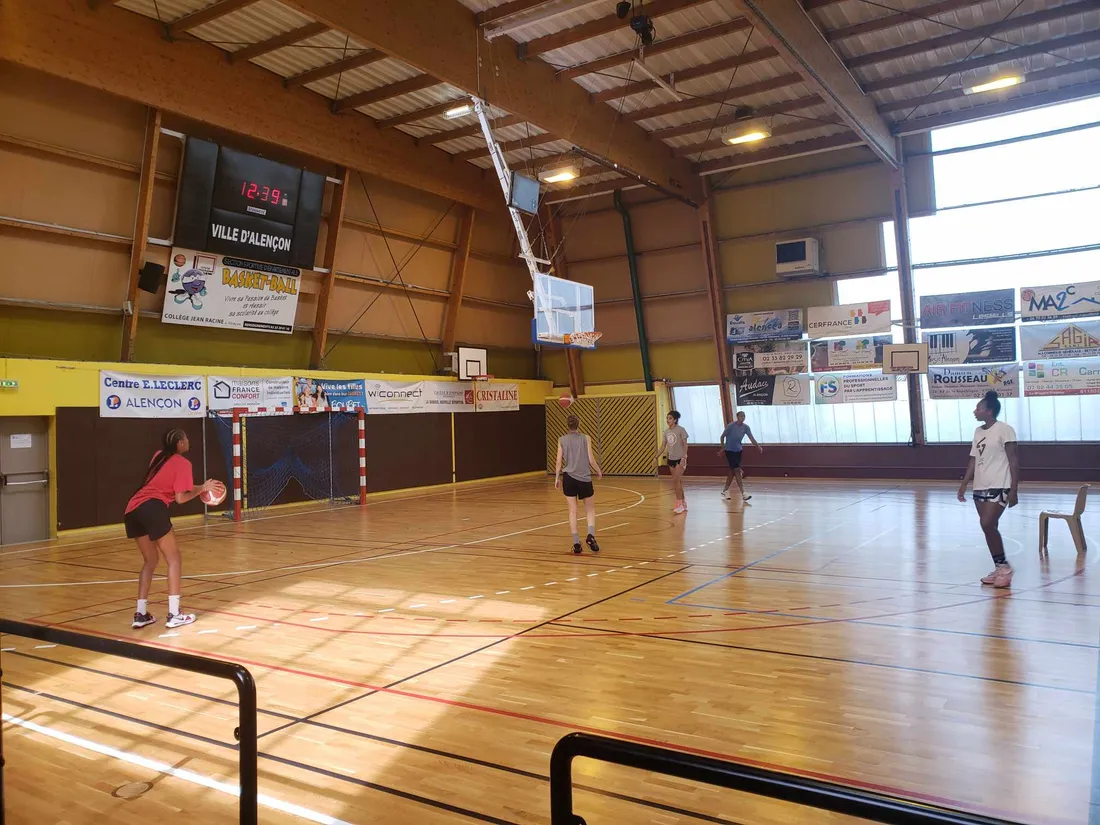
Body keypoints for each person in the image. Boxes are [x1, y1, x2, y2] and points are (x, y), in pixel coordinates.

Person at [124, 428, 219, 629]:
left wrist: (201, 486)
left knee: (150, 561)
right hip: (152, 507)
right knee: (174, 558)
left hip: (132, 509)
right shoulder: (184, 463)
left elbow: (178, 487)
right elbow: (181, 498)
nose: (188, 440)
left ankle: (140, 614)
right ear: (180, 444)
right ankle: (175, 614)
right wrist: (202, 489)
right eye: (186, 438)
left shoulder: (158, 456)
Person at [957, 390, 1019, 588]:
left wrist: (1014, 489)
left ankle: (1005, 567)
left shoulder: (1005, 429)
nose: (975, 411)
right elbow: (973, 459)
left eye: (979, 408)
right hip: (980, 485)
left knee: (987, 523)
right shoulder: (978, 431)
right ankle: (999, 567)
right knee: (990, 528)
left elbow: (1014, 460)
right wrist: (965, 483)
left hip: (1000, 483)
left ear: (989, 411)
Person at [554, 415, 603, 554]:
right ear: (578, 424)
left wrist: (557, 477)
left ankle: (576, 543)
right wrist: (598, 470)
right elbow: (591, 459)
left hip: (568, 478)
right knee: (590, 509)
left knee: (572, 511)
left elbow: (558, 461)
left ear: (567, 426)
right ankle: (591, 535)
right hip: (584, 478)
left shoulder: (562, 440)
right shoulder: (586, 438)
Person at [718, 411, 763, 502]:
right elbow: (722, 437)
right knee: (737, 470)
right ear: (737, 417)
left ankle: (725, 490)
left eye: (744, 416)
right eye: (741, 416)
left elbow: (751, 438)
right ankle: (743, 493)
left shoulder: (746, 427)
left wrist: (758, 446)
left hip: (738, 450)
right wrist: (723, 448)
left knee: (732, 471)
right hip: (729, 450)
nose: (743, 417)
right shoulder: (731, 426)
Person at [656, 411, 690, 514]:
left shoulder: (681, 430)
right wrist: (656, 457)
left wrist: (684, 456)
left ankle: (678, 503)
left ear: (675, 420)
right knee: (677, 481)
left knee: (676, 480)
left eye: (670, 418)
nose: (668, 420)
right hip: (671, 459)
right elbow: (663, 446)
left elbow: (685, 444)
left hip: (680, 459)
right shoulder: (666, 432)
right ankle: (683, 503)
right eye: (667, 418)